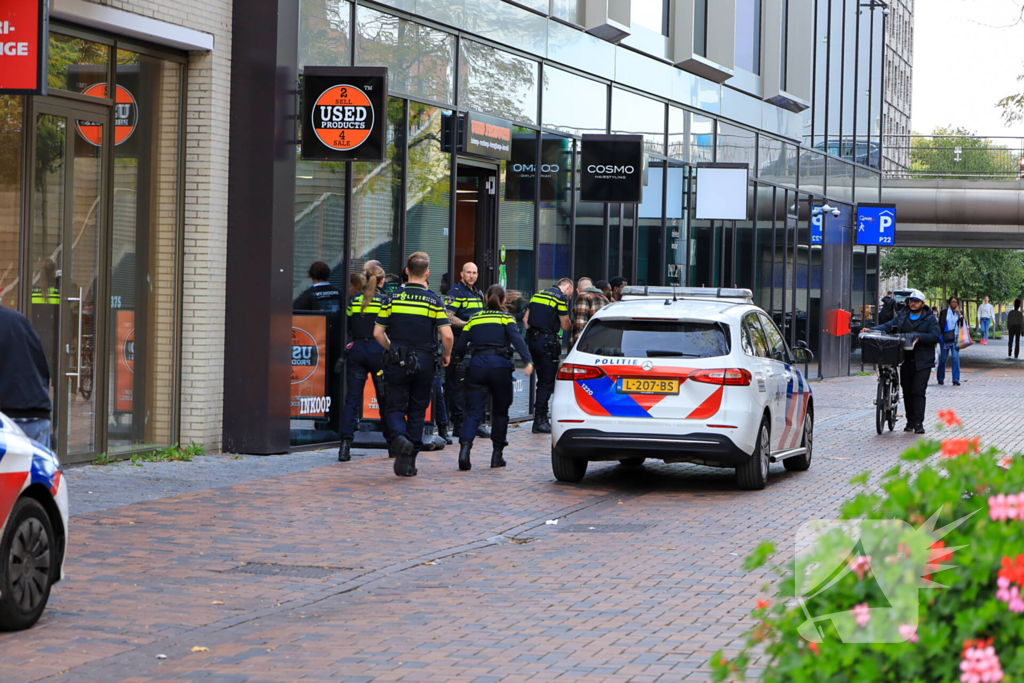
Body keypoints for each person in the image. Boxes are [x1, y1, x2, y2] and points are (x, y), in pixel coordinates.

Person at [374, 252, 453, 477]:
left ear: (407, 272)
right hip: (425, 361)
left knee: (394, 405)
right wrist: (446, 355)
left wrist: (393, 349)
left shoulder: (391, 298)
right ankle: (408, 462)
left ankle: (399, 438)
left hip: (397, 360)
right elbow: (447, 335)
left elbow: (377, 332)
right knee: (418, 409)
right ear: (427, 273)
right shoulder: (433, 300)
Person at [453, 285, 534, 471]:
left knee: (473, 412)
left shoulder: (474, 318)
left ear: (486, 298)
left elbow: (460, 346)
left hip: (477, 367)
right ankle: (497, 456)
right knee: (500, 413)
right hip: (500, 368)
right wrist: (528, 361)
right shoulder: (506, 318)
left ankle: (464, 452)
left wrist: (458, 360)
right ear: (504, 300)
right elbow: (517, 340)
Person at [868, 289, 940, 434]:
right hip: (905, 360)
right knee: (907, 391)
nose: (913, 304)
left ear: (922, 304)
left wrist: (918, 336)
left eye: (916, 301)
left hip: (923, 361)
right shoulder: (903, 316)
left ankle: (919, 423)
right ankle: (910, 421)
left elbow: (935, 336)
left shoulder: (930, 319)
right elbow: (888, 326)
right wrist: (871, 329)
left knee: (918, 391)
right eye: (911, 301)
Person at [338, 265, 389, 462]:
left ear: (366, 279)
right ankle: (392, 443)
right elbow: (388, 327)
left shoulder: (355, 299)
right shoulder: (385, 301)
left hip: (357, 351)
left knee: (352, 399)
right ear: (382, 281)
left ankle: (344, 447)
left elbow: (350, 327)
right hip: (378, 352)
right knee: (384, 398)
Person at [523, 278, 572, 433]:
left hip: (533, 341)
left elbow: (525, 320)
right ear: (568, 287)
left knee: (541, 381)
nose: (570, 297)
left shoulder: (538, 294)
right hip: (547, 344)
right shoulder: (560, 298)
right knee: (546, 382)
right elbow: (565, 325)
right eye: (571, 293)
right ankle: (540, 420)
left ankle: (541, 418)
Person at [0, 304, 52, 448]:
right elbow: (42, 366)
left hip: (6, 419)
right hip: (35, 412)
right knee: (37, 469)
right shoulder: (18, 320)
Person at [444, 262, 485, 438]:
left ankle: (475, 423)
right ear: (461, 274)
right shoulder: (456, 293)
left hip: (475, 346)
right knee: (457, 386)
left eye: (474, 273)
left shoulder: (478, 293)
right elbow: (447, 315)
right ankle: (459, 423)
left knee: (475, 386)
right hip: (459, 345)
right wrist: (466, 325)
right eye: (468, 272)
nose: (472, 276)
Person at [571, 277, 609, 347]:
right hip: (602, 342)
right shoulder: (604, 298)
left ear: (578, 291)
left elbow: (580, 323)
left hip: (588, 345)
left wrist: (578, 346)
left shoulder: (583, 296)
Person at [937, 296, 965, 387]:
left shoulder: (959, 313)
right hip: (945, 337)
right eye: (952, 302)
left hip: (956, 338)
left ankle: (956, 379)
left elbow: (963, 324)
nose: (954, 304)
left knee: (955, 357)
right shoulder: (944, 312)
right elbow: (940, 325)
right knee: (943, 358)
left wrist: (959, 314)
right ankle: (940, 378)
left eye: (955, 302)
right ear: (949, 303)